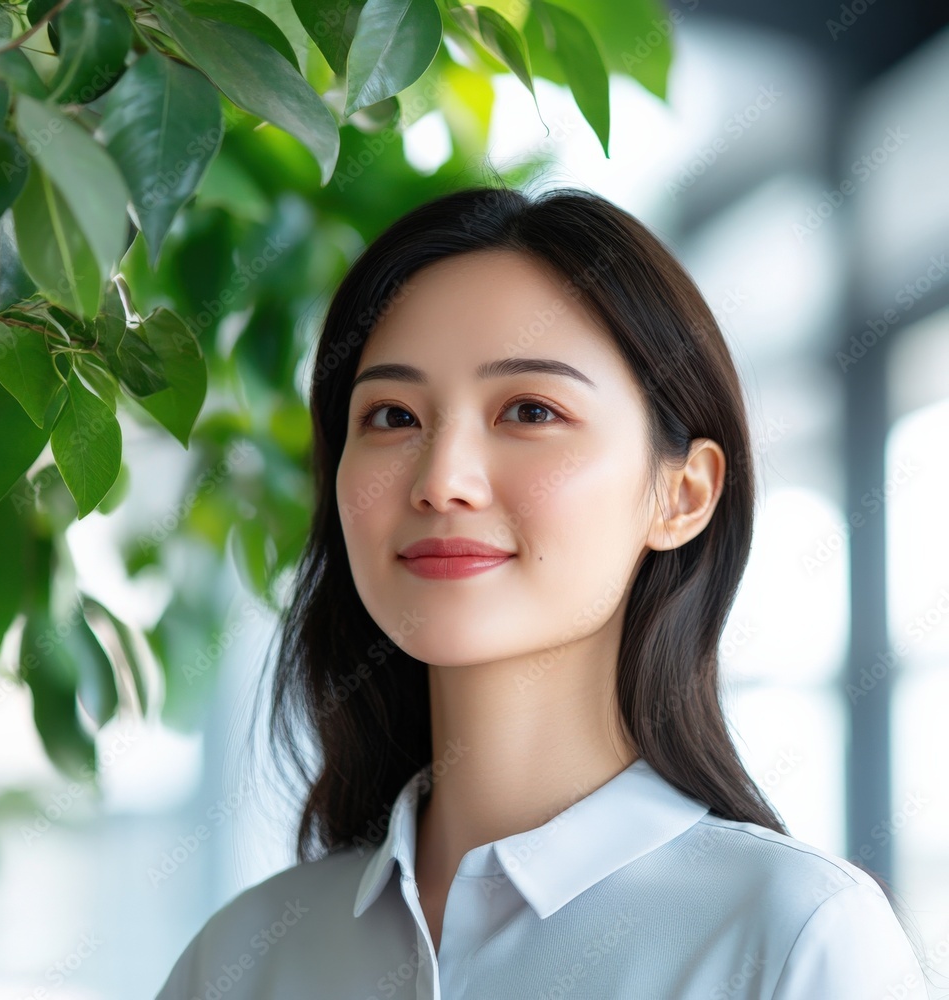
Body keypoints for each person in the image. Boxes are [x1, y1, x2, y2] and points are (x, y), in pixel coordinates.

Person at [154, 183, 931, 999]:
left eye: (529, 409)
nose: (442, 480)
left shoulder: (797, 940)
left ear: (684, 494)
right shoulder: (240, 957)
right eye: (391, 416)